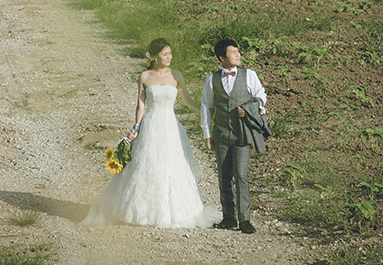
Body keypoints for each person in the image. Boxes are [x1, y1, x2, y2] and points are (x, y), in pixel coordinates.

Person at [81, 38, 214, 228]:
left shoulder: (176, 75)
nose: (169, 57)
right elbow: (141, 105)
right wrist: (135, 127)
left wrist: (205, 109)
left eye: (170, 53)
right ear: (154, 56)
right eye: (165, 54)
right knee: (147, 165)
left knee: (172, 165)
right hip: (151, 125)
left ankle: (175, 211)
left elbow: (187, 100)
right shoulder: (144, 76)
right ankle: (142, 211)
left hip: (170, 127)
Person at [200, 38, 267, 234]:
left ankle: (244, 219)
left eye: (238, 51)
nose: (238, 55)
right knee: (224, 176)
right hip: (221, 133)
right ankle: (228, 217)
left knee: (241, 175)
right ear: (222, 58)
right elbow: (206, 106)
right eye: (233, 52)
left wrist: (249, 109)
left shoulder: (249, 75)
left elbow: (261, 96)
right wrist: (207, 133)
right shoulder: (211, 80)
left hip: (242, 134)